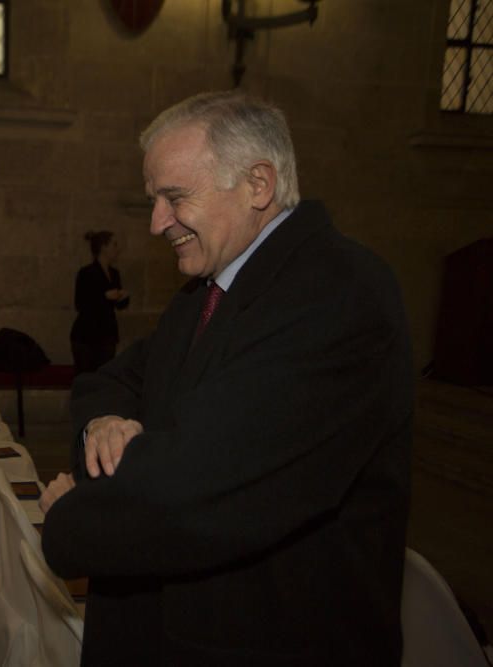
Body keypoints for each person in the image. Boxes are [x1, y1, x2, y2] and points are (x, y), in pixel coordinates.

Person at [39, 92, 413, 665]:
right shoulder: (204, 294)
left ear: (258, 184)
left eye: (175, 197)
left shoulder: (339, 293)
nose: (157, 222)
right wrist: (103, 423)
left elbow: (204, 487)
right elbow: (112, 377)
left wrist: (72, 517)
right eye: (153, 200)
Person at [69, 230, 129, 375]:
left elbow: (119, 306)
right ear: (103, 247)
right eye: (114, 245)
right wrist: (104, 296)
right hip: (86, 335)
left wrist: (123, 297)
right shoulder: (86, 273)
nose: (117, 249)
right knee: (86, 378)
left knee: (103, 378)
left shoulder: (114, 274)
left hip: (107, 334)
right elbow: (80, 303)